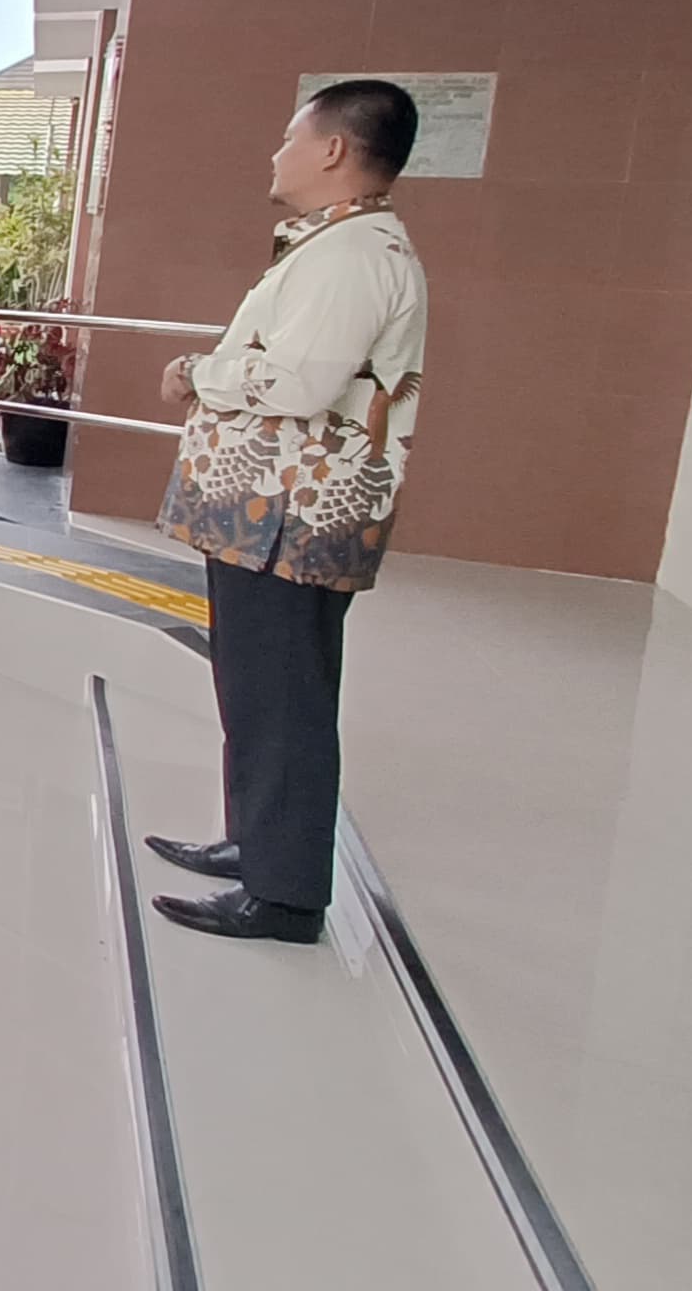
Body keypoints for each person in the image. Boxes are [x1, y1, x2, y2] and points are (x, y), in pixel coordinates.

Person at [146, 81, 428, 946]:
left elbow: (299, 382)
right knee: (257, 687)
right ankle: (256, 844)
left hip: (290, 518)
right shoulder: (334, 245)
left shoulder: (352, 257)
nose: (277, 154)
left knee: (284, 698)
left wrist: (199, 374)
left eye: (290, 137)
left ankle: (285, 894)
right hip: (268, 513)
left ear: (334, 150)